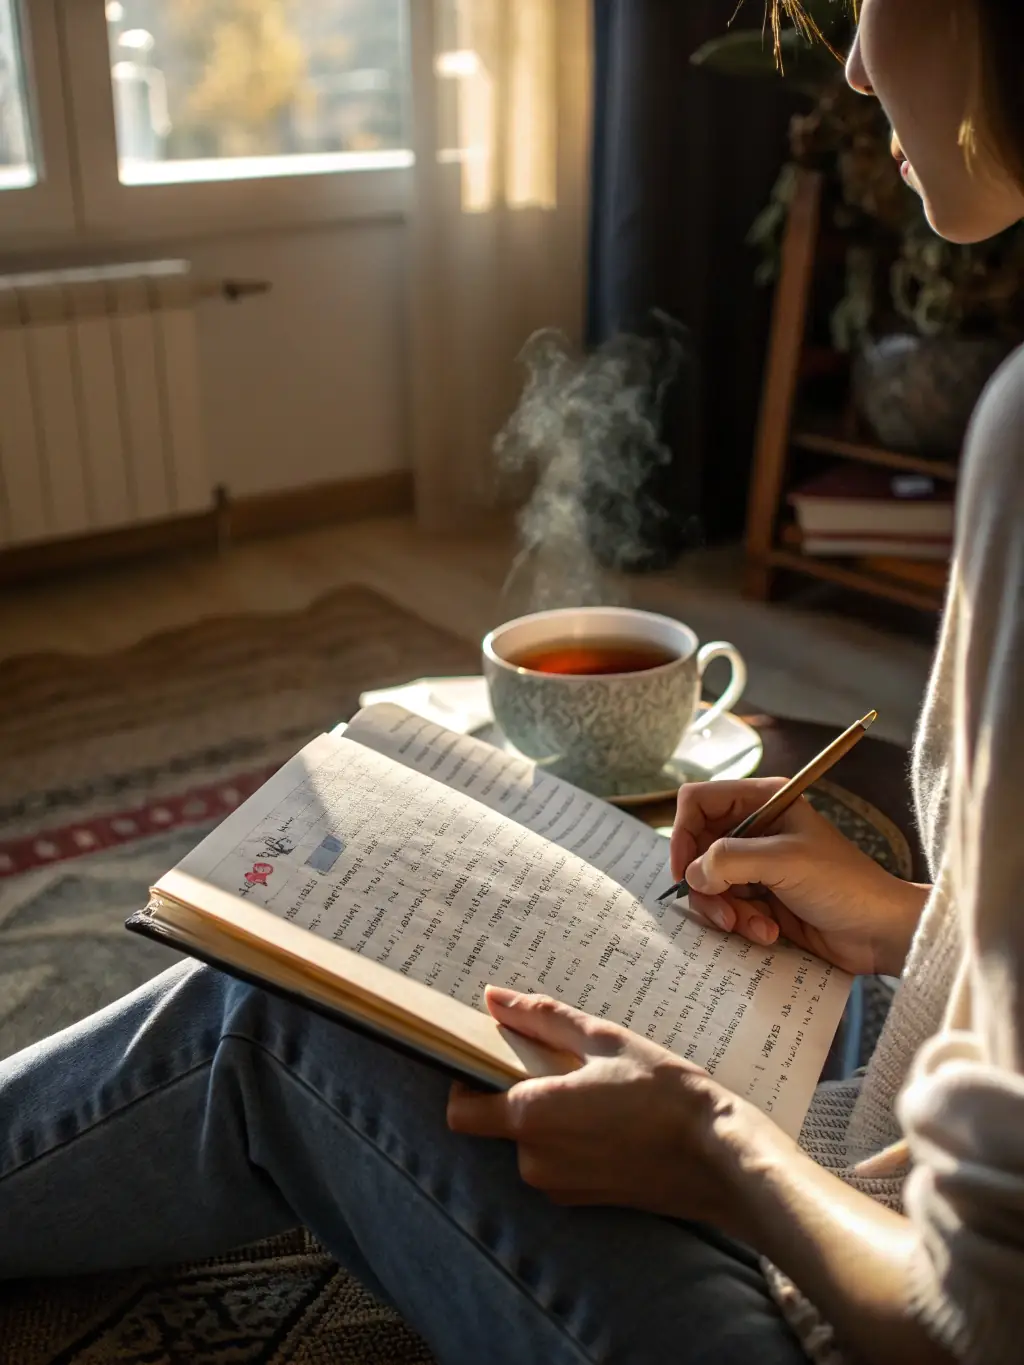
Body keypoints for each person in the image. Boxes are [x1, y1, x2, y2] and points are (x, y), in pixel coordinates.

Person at [2, 2, 1022, 1361]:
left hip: (847, 1301)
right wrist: (909, 919)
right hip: (897, 1114)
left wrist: (717, 1149)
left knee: (286, 1003)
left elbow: (972, 1320)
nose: (851, 59)